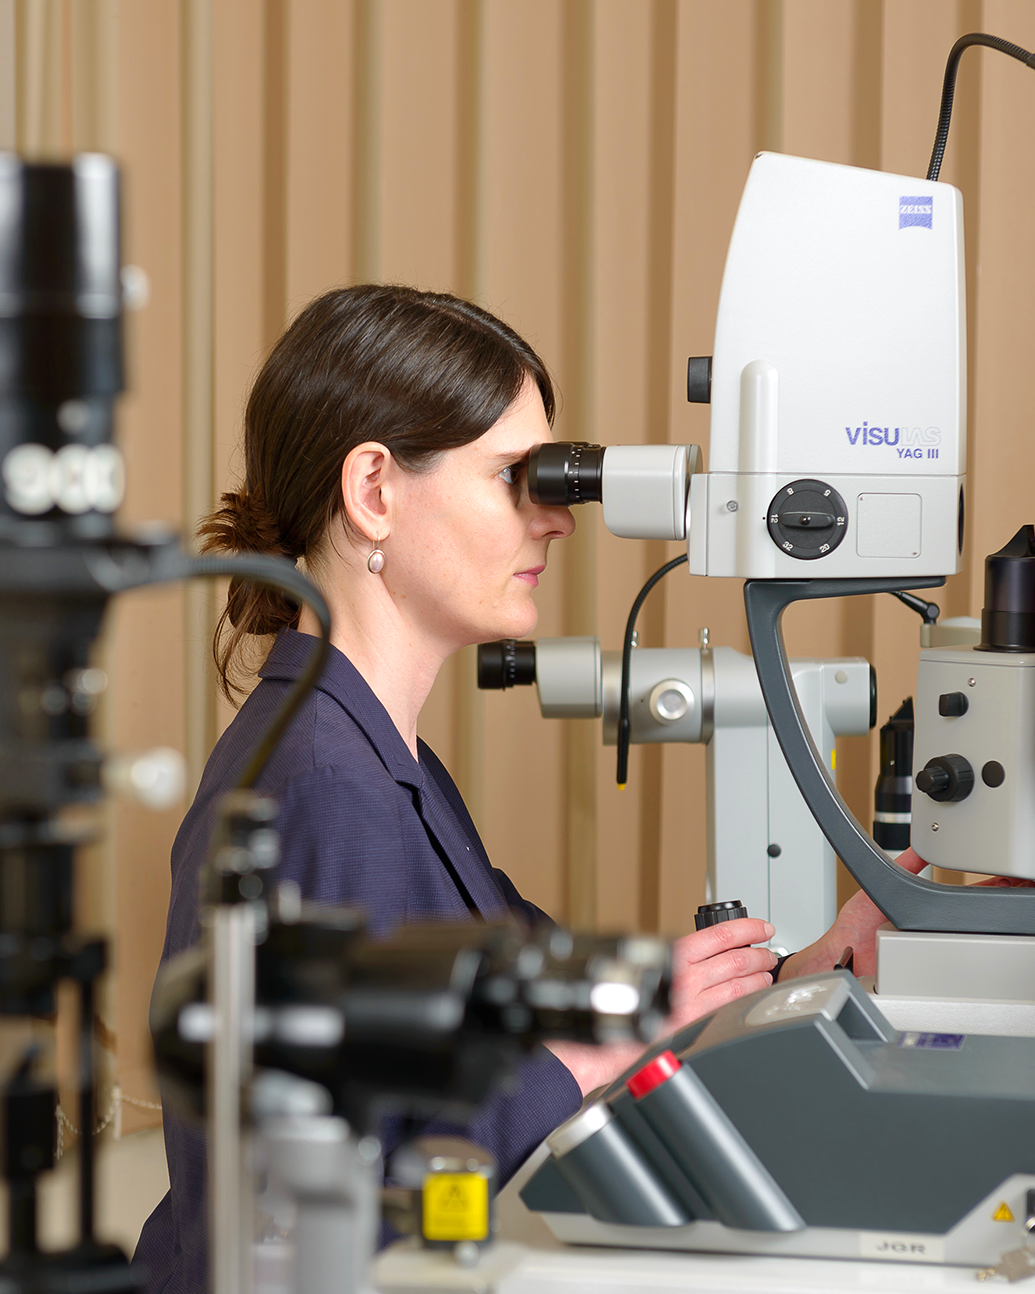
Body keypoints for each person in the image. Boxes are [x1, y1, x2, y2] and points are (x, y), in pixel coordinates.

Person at [134, 284, 870, 1293]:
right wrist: (583, 1067)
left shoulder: (387, 763)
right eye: (514, 477)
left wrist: (797, 979)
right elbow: (286, 1224)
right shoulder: (320, 784)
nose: (555, 522)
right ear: (376, 491)